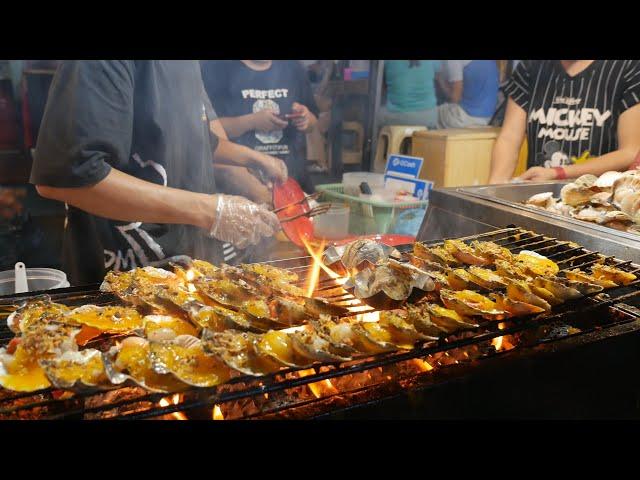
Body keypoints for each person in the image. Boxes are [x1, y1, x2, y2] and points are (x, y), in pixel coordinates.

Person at [31, 60, 287, 284]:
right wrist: (212, 211)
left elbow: (193, 138)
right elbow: (68, 177)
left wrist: (253, 158)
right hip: (121, 287)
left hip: (191, 273)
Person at [489, 60, 640, 183]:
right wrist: (493, 189)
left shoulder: (627, 68)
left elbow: (629, 152)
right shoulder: (530, 67)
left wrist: (558, 173)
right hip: (539, 198)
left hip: (598, 200)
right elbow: (509, 137)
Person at [201, 60, 319, 197]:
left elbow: (313, 121)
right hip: (242, 187)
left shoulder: (293, 68)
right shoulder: (217, 68)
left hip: (295, 182)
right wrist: (251, 122)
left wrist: (306, 119)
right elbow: (209, 132)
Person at [436, 60, 499, 129]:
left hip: (467, 118)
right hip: (489, 118)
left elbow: (456, 98)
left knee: (427, 115)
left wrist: (440, 79)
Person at [379, 60, 441, 129]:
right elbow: (436, 78)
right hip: (428, 118)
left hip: (397, 117)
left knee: (372, 115)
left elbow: (381, 85)